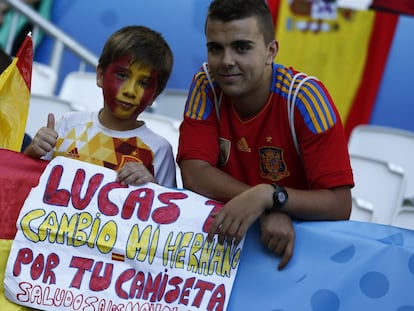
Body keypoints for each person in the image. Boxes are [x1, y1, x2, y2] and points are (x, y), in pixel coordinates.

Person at [177, 0, 354, 270]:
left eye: (242, 47)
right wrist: (264, 205)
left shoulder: (306, 98)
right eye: (215, 48)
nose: (226, 61)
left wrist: (269, 196)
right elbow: (193, 173)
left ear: (271, 52)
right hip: (226, 250)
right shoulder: (206, 83)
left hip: (294, 254)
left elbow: (340, 205)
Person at [25, 25, 177, 188]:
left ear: (155, 95)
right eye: (122, 75)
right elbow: (26, 181)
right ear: (100, 76)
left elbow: (166, 209)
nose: (130, 91)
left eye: (144, 83)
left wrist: (151, 185)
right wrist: (32, 152)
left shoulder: (159, 150)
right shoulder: (68, 125)